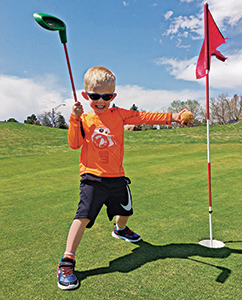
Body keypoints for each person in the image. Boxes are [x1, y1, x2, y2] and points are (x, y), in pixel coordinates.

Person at [57, 66, 190, 290]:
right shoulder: (84, 118)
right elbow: (74, 144)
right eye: (95, 96)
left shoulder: (119, 114)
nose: (100, 100)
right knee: (84, 215)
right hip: (92, 177)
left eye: (106, 96)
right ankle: (67, 261)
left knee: (125, 211)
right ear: (86, 95)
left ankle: (120, 230)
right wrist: (74, 118)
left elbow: (144, 117)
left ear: (113, 96)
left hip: (117, 176)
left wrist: (174, 117)